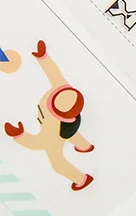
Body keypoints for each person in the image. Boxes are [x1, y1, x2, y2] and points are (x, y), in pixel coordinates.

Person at [4, 41, 94, 191]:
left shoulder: (51, 133)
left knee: (57, 163)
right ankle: (84, 146)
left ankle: (81, 179)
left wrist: (19, 135)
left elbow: (37, 143)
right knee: (73, 135)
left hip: (60, 132)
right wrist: (43, 57)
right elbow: (53, 73)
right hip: (68, 125)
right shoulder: (61, 87)